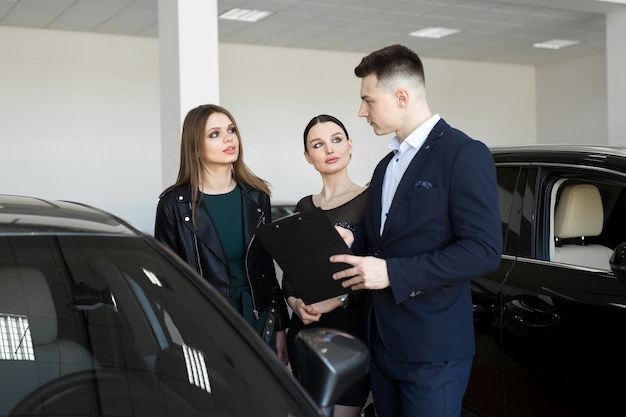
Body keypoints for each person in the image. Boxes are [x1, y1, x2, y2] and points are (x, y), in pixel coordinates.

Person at [329, 44, 503, 417]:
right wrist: (354, 241)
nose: (361, 112)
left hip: (432, 350)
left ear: (402, 96)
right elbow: (386, 242)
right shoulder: (384, 166)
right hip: (382, 344)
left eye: (368, 100)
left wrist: (393, 273)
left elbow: (483, 249)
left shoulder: (463, 154)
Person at [154, 104, 289, 365]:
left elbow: (267, 270)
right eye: (214, 134)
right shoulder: (173, 205)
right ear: (195, 146)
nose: (229, 138)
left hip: (259, 319)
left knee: (265, 404)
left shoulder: (257, 197)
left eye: (231, 130)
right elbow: (166, 282)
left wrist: (280, 325)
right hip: (206, 326)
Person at [283, 114, 369, 417]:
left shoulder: (370, 200)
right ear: (308, 157)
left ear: (349, 145)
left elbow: (377, 270)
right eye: (318, 144)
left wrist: (333, 301)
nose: (329, 149)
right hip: (305, 329)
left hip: (349, 331)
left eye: (336, 140)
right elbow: (292, 273)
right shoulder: (304, 207)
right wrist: (295, 303)